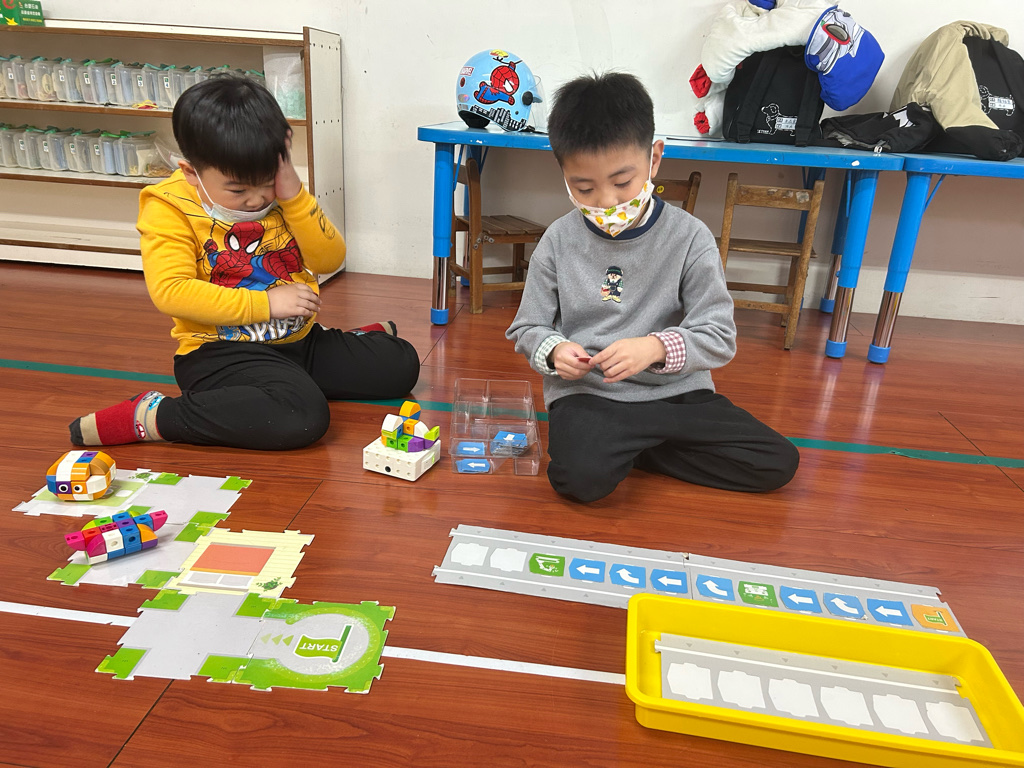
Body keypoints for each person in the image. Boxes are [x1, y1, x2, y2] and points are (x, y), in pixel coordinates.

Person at [69, 75, 419, 450]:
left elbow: (329, 258)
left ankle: (301, 371)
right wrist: (265, 304)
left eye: (266, 182)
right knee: (302, 416)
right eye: (238, 190)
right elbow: (171, 292)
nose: (256, 200)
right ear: (191, 172)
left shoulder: (283, 194)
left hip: (299, 340)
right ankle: (156, 415)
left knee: (401, 364)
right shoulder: (169, 206)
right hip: (219, 353)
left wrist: (294, 195)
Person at [506, 72, 798, 502]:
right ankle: (632, 445)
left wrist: (655, 347)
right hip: (592, 395)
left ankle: (634, 448)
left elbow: (719, 336)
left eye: (622, 183)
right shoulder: (558, 240)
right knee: (578, 480)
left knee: (776, 461)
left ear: (654, 158)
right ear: (564, 175)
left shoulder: (690, 237)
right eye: (584, 188)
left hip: (676, 395)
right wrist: (553, 350)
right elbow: (527, 326)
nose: (607, 201)